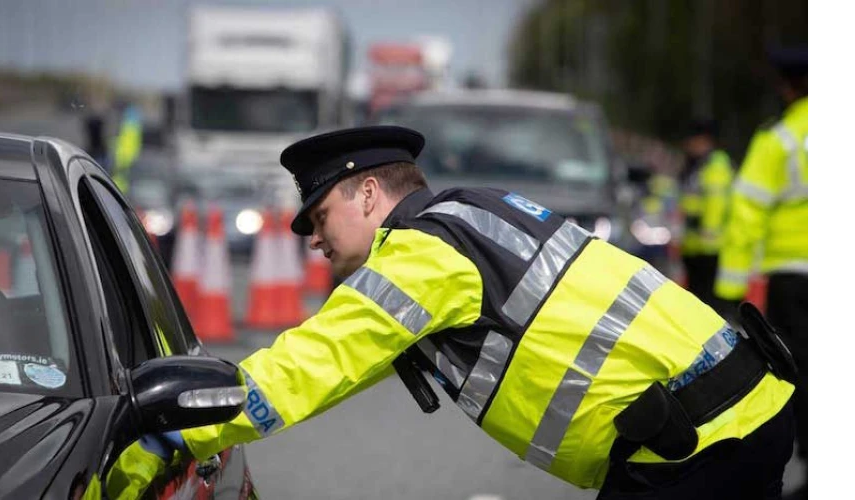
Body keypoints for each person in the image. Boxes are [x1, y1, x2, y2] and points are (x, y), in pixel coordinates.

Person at [125, 126, 796, 499]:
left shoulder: (422, 257)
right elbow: (339, 372)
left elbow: (312, 365)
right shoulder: (473, 212)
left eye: (320, 215)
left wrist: (177, 430)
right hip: (734, 416)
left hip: (700, 444)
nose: (313, 238)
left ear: (366, 193)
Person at [714, 46, 814, 500]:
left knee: (805, 374)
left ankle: (817, 473)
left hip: (796, 278)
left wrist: (732, 291)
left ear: (786, 86)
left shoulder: (779, 139)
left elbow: (747, 213)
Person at [678, 119, 734, 311]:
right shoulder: (696, 165)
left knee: (708, 303)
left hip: (710, 246)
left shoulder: (715, 165)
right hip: (694, 245)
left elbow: (716, 203)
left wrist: (708, 232)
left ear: (705, 140)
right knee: (696, 301)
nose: (688, 145)